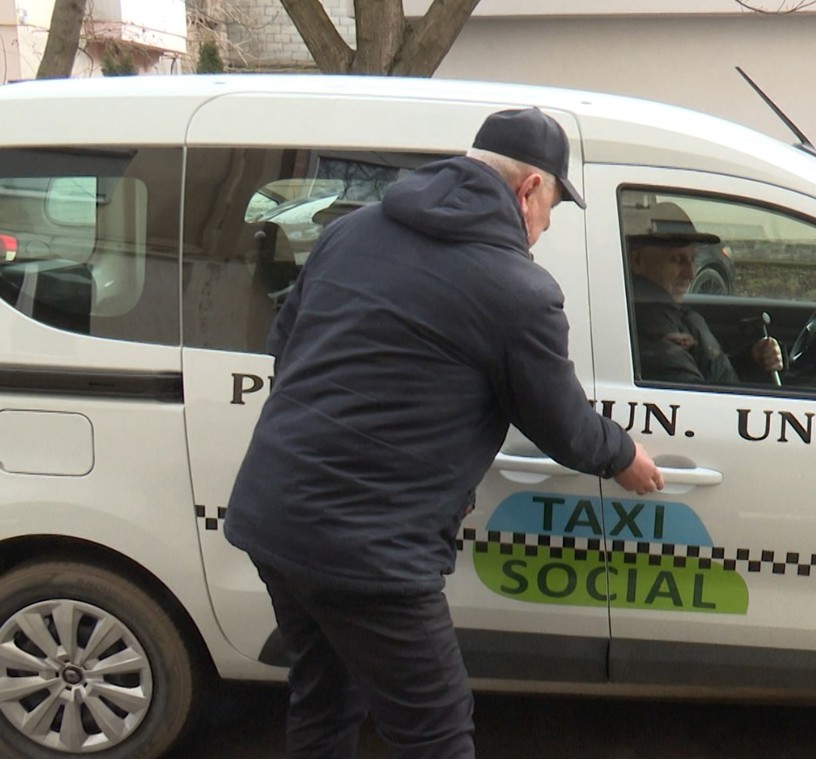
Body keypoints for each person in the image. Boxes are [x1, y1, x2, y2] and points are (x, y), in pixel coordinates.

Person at [224, 107, 664, 758]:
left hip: (273, 519)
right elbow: (563, 425)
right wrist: (625, 453)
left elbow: (286, 346)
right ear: (527, 189)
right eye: (551, 208)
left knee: (324, 698)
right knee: (434, 730)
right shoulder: (517, 290)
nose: (543, 229)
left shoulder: (353, 233)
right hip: (372, 552)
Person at [625, 201, 783, 383]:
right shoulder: (651, 324)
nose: (690, 273)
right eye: (677, 260)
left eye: (693, 259)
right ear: (637, 261)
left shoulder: (666, 313)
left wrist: (751, 361)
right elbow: (693, 395)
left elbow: (707, 376)